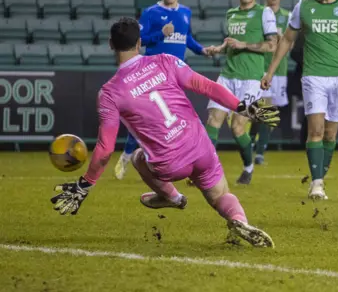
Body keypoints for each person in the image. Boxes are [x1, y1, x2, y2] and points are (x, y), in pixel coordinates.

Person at [50, 18, 279, 248]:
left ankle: (172, 196)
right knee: (220, 196)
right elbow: (208, 87)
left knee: (140, 157)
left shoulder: (109, 93)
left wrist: (85, 184)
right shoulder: (166, 61)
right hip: (200, 148)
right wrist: (243, 107)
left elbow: (105, 149)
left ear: (111, 44)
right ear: (139, 43)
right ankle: (239, 219)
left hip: (169, 164)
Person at [261, 0, 338, 200]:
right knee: (316, 130)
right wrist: (270, 72)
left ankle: (320, 177)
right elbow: (286, 41)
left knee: (331, 134)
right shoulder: (303, 7)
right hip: (313, 76)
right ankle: (317, 183)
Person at [114, 0, 217, 180]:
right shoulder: (151, 13)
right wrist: (161, 34)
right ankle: (125, 157)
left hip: (175, 76)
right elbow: (139, 41)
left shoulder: (185, 12)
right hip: (153, 76)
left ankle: (181, 159)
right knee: (146, 120)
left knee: (179, 120)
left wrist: (201, 50)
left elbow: (186, 37)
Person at [205, 0, 278, 185]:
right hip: (228, 76)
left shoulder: (264, 13)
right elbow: (231, 44)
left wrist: (244, 45)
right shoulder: (231, 14)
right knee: (213, 120)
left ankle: (248, 167)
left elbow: (272, 45)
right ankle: (206, 170)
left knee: (237, 126)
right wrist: (218, 49)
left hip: (251, 78)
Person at [253, 0, 292, 165]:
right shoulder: (258, 14)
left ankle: (260, 150)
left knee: (269, 110)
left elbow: (290, 43)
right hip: (258, 68)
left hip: (279, 71)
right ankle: (258, 148)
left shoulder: (288, 16)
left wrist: (282, 42)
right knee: (260, 110)